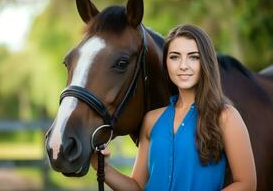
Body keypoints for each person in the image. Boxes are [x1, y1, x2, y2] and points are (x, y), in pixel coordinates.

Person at [91, 24, 257, 191]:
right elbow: (137, 187)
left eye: (193, 57)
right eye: (175, 57)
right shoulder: (151, 120)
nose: (183, 66)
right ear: (166, 63)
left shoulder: (226, 117)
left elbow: (247, 184)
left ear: (206, 62)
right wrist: (104, 168)